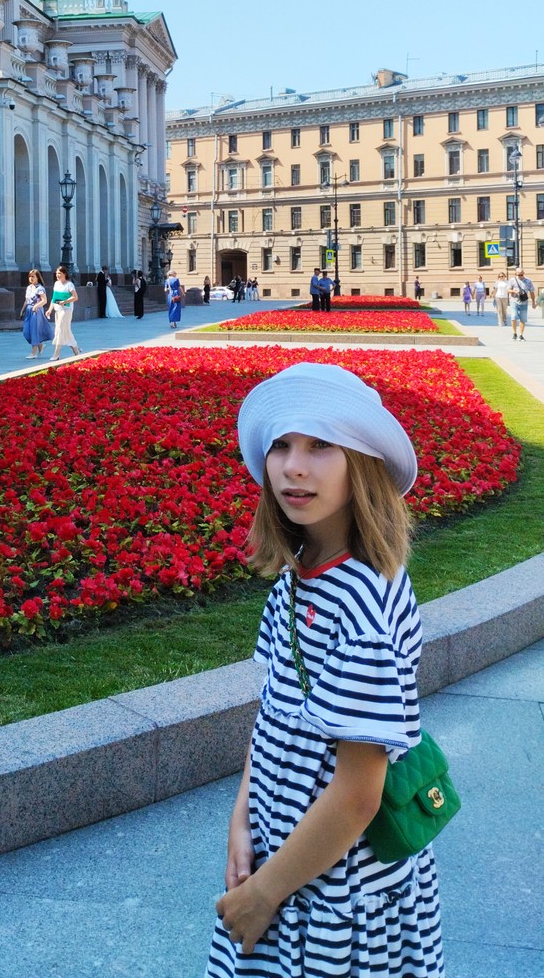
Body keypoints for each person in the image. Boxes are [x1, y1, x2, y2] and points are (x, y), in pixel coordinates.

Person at [206, 362, 444, 976]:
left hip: (331, 887)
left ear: (361, 464)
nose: (293, 466)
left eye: (320, 446)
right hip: (287, 858)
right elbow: (276, 714)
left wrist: (263, 896)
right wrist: (243, 816)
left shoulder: (361, 603)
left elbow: (357, 796)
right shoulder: (301, 573)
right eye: (281, 445)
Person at [46, 265, 80, 360]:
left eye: (59, 273)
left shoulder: (69, 285)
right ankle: (75, 348)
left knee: (60, 330)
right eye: (56, 273)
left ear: (64, 274)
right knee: (65, 330)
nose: (57, 275)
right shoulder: (56, 284)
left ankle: (56, 354)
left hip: (66, 310)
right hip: (58, 310)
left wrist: (64, 302)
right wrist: (50, 309)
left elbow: (75, 297)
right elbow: (54, 298)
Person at [20, 268, 53, 358]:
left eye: (33, 276)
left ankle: (33, 353)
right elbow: (26, 301)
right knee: (26, 331)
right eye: (29, 276)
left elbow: (45, 301)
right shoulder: (29, 288)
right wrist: (22, 310)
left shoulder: (40, 288)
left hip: (36, 311)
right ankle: (40, 345)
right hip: (28, 310)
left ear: (37, 277)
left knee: (34, 331)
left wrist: (36, 306)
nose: (31, 278)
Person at [509, 268, 533, 341]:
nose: (520, 276)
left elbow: (532, 291)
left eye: (521, 274)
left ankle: (521, 335)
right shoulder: (512, 280)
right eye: (518, 274)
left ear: (524, 273)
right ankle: (514, 333)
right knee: (513, 317)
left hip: (524, 302)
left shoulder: (528, 281)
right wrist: (514, 291)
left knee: (523, 319)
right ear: (515, 274)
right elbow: (508, 290)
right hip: (514, 301)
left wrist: (533, 302)